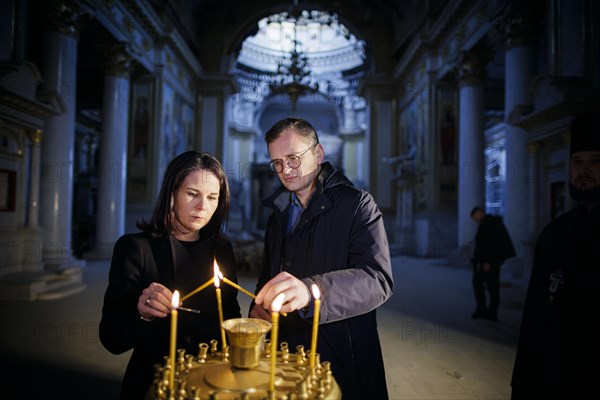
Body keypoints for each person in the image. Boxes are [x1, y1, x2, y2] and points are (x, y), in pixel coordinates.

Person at [249, 117, 394, 400]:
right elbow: (267, 277)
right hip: (286, 349)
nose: (285, 170)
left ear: (318, 154)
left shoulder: (358, 204)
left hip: (341, 350)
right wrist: (259, 306)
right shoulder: (276, 216)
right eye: (277, 162)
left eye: (293, 158)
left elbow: (378, 280)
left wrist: (310, 292)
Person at [99, 151, 241, 400]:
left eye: (212, 197)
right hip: (154, 382)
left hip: (212, 382)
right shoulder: (136, 248)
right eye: (192, 194)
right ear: (171, 193)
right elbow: (112, 339)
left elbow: (230, 315)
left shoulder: (222, 250)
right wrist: (142, 313)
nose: (203, 207)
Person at [511, 110, 600, 399]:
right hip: (554, 373)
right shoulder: (554, 233)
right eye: (576, 163)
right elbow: (534, 315)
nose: (583, 170)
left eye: (595, 162)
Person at [469, 206, 516, 321]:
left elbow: (491, 245)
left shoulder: (490, 224)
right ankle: (489, 312)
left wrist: (487, 261)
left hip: (491, 262)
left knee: (481, 282)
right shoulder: (487, 224)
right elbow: (482, 245)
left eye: (476, 218)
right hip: (492, 261)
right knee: (491, 286)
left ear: (480, 213)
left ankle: (484, 310)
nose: (476, 221)